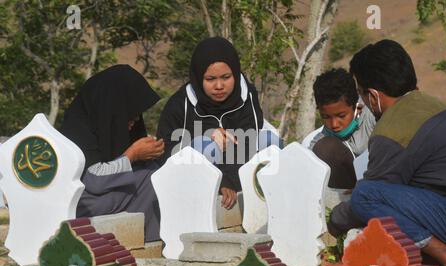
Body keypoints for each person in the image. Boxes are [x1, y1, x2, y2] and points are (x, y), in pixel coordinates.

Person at [329, 39, 446, 266]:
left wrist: (334, 220)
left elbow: (373, 199)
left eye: (362, 94)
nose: (362, 102)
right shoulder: (434, 105)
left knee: (364, 195)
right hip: (440, 206)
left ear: (373, 95)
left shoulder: (392, 130)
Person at [156, 37, 282, 210]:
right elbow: (166, 152)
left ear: (235, 74)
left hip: (236, 169)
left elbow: (248, 140)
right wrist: (207, 136)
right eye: (210, 79)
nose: (219, 86)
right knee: (205, 144)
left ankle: (268, 202)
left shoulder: (246, 95)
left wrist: (228, 179)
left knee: (269, 141)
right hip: (193, 180)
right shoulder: (180, 105)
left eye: (226, 77)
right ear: (199, 77)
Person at [60, 64, 164, 242]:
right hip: (81, 204)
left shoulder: (109, 123)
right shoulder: (78, 128)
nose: (135, 120)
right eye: (129, 113)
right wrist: (132, 155)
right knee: (149, 179)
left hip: (105, 197)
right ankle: (147, 243)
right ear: (112, 108)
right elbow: (93, 180)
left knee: (155, 173)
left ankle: (146, 242)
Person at [308, 68, 375, 189]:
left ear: (356, 106)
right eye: (326, 117)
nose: (334, 124)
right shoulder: (320, 142)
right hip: (345, 196)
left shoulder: (373, 119)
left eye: (341, 116)